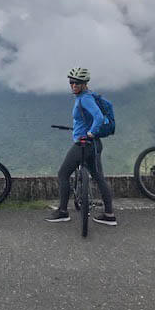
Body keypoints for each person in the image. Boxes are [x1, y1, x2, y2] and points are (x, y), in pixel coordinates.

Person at [45, 67, 117, 225]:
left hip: (84, 144)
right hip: (96, 144)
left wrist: (90, 132)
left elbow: (98, 117)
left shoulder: (84, 98)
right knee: (99, 177)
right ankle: (109, 215)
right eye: (71, 82)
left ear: (85, 83)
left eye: (77, 83)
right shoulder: (88, 96)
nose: (73, 85)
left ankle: (63, 212)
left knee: (63, 174)